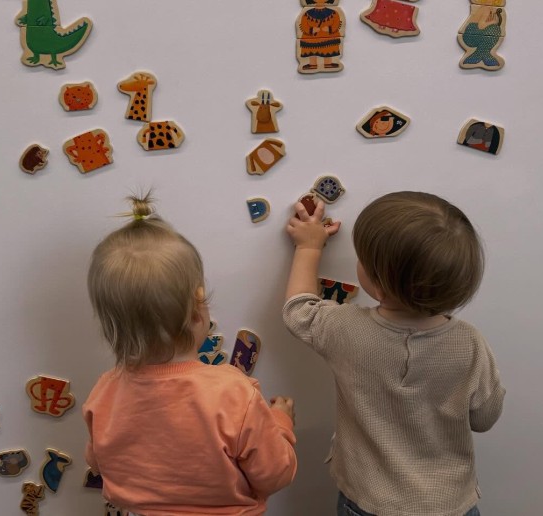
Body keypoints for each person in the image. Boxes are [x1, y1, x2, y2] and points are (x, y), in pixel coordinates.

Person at [283, 192, 505, 516]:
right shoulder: (470, 343)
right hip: (449, 505)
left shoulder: (346, 328)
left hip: (369, 502)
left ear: (379, 286)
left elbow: (298, 310)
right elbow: (485, 418)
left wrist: (308, 247)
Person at [83, 194, 297, 516]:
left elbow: (98, 461)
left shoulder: (105, 392)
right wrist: (281, 422)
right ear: (198, 309)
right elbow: (275, 474)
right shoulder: (234, 393)